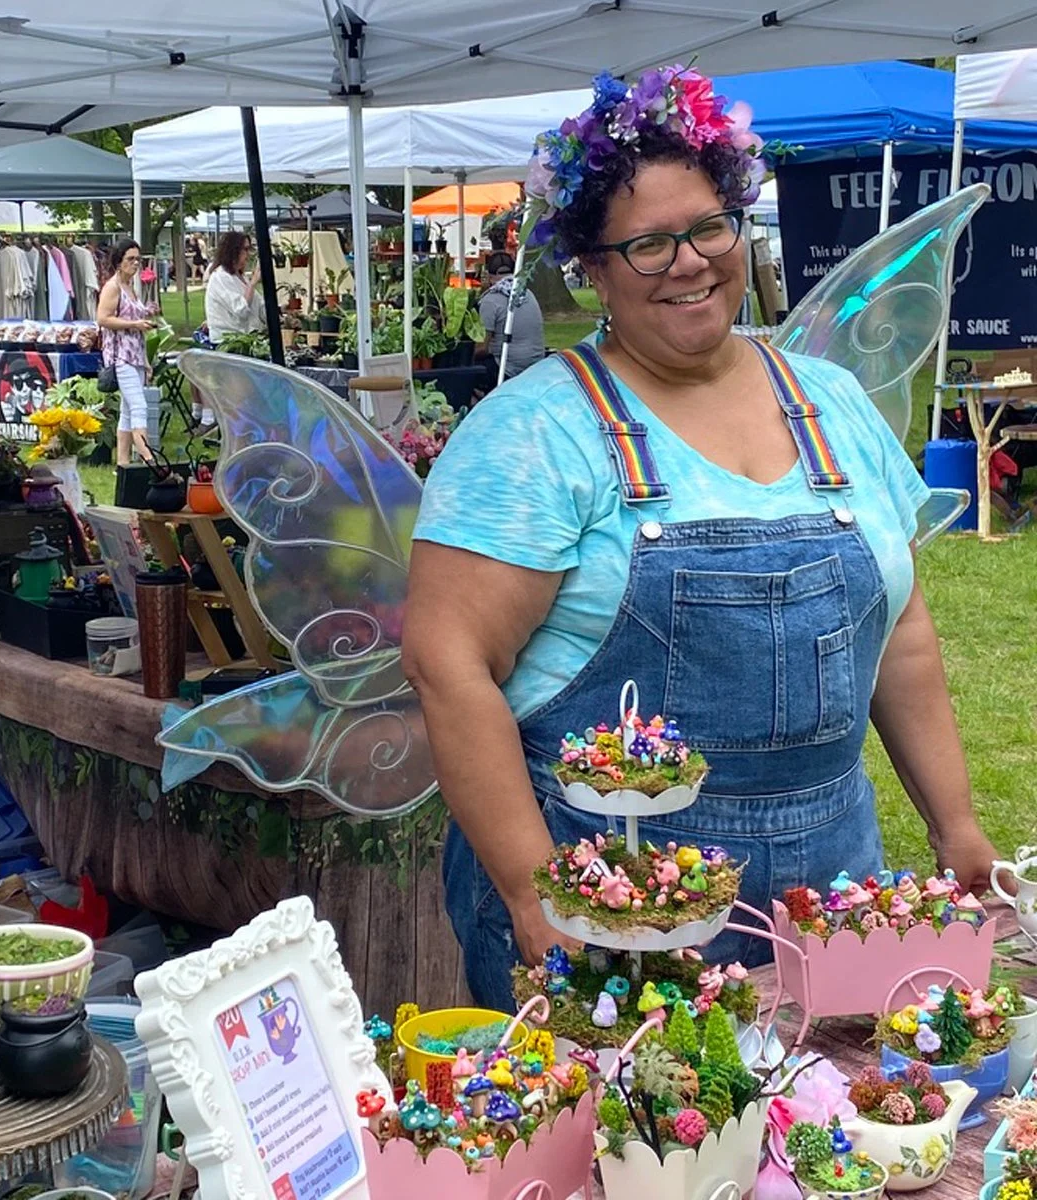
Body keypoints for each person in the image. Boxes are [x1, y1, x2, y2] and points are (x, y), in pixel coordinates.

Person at [401, 68, 999, 1013]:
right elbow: (447, 663)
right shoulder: (534, 434)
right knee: (639, 1112)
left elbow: (902, 633)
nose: (689, 263)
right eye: (647, 245)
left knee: (834, 1095)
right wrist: (533, 891)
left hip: (830, 885)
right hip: (613, 893)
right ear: (592, 267)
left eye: (709, 228)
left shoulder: (832, 402)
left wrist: (955, 824)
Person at [97, 238, 158, 466]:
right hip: (120, 356)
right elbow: (103, 318)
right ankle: (150, 460)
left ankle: (122, 464)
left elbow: (133, 317)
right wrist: (134, 324)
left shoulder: (130, 286)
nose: (135, 264)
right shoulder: (112, 286)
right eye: (130, 259)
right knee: (139, 407)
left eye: (138, 259)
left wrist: (146, 361)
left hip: (135, 354)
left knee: (128, 410)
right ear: (119, 261)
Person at [199, 231, 266, 427]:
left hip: (247, 341)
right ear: (233, 251)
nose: (248, 254)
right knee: (239, 395)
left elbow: (258, 308)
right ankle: (237, 430)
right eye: (245, 249)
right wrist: (253, 283)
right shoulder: (220, 277)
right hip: (229, 344)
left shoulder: (239, 278)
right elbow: (241, 310)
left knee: (249, 394)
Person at [475, 251, 545, 382]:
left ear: (488, 275)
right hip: (535, 366)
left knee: (468, 369)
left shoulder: (491, 300)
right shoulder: (528, 293)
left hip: (507, 370)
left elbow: (482, 348)